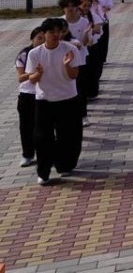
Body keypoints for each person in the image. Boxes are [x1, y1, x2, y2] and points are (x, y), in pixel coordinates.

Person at [25, 18, 83, 185]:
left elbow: (74, 75)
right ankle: (43, 172)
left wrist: (66, 65)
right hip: (45, 101)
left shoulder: (70, 49)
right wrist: (38, 74)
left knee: (69, 136)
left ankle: (64, 165)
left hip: (68, 99)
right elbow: (32, 79)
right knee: (42, 138)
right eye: (52, 32)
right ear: (44, 34)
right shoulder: (35, 53)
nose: (56, 35)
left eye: (59, 31)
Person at [15, 25, 47, 168]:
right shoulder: (24, 54)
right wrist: (34, 73)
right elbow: (21, 77)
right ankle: (27, 154)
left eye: (44, 37)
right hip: (27, 95)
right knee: (26, 126)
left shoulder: (48, 52)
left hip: (44, 94)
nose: (41, 41)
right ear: (32, 39)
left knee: (43, 127)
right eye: (38, 38)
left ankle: (46, 155)